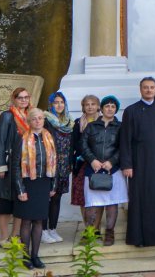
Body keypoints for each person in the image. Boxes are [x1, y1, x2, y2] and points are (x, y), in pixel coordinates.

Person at [119, 77, 155, 247]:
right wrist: (127, 164)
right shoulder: (130, 111)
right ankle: (138, 238)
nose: (149, 90)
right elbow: (125, 139)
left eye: (152, 87)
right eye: (145, 87)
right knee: (139, 198)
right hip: (138, 162)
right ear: (140, 89)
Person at [0, 86, 31, 247]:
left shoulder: (29, 117)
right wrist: (0, 166)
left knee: (19, 202)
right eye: (20, 97)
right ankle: (4, 237)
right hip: (7, 164)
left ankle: (15, 235)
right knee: (3, 203)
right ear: (14, 99)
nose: (24, 100)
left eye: (26, 97)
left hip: (23, 166)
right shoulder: (7, 116)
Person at [12, 108, 56, 269]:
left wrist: (53, 185)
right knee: (26, 220)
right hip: (27, 182)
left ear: (44, 120)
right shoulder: (22, 139)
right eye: (34, 119)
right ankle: (25, 257)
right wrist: (20, 189)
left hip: (43, 183)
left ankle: (35, 256)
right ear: (29, 122)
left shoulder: (49, 137)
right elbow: (16, 167)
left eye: (40, 118)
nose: (38, 121)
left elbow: (54, 162)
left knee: (39, 220)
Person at [82, 95, 126, 247]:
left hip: (112, 170)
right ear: (101, 108)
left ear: (116, 109)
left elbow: (123, 147)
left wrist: (111, 162)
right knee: (92, 203)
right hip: (93, 169)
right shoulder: (91, 126)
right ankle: (91, 233)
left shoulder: (121, 127)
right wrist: (93, 160)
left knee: (111, 203)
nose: (109, 109)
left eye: (113, 106)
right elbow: (83, 145)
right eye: (107, 106)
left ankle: (109, 232)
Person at [42, 91, 73, 243]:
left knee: (57, 198)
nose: (59, 105)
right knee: (47, 197)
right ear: (51, 105)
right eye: (56, 102)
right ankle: (42, 230)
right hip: (50, 164)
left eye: (62, 102)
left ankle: (52, 229)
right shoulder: (46, 121)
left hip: (64, 165)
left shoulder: (68, 122)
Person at [70, 94, 99, 227]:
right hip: (81, 163)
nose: (90, 107)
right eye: (87, 104)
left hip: (98, 164)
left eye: (93, 104)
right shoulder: (78, 122)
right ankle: (88, 227)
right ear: (83, 107)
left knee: (98, 196)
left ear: (98, 106)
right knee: (82, 197)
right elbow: (74, 143)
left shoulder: (103, 121)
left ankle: (97, 227)